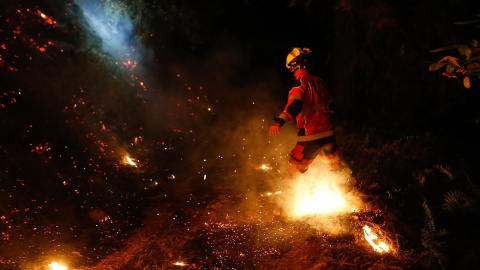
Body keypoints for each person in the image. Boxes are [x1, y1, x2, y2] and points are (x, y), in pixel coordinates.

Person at [269, 47, 343, 178]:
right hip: (328, 135)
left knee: (293, 171)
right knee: (335, 169)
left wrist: (279, 122)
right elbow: (331, 105)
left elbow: (295, 105)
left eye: (290, 68)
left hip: (310, 137)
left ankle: (287, 195)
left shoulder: (299, 85)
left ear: (293, 67)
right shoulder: (321, 82)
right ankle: (348, 192)